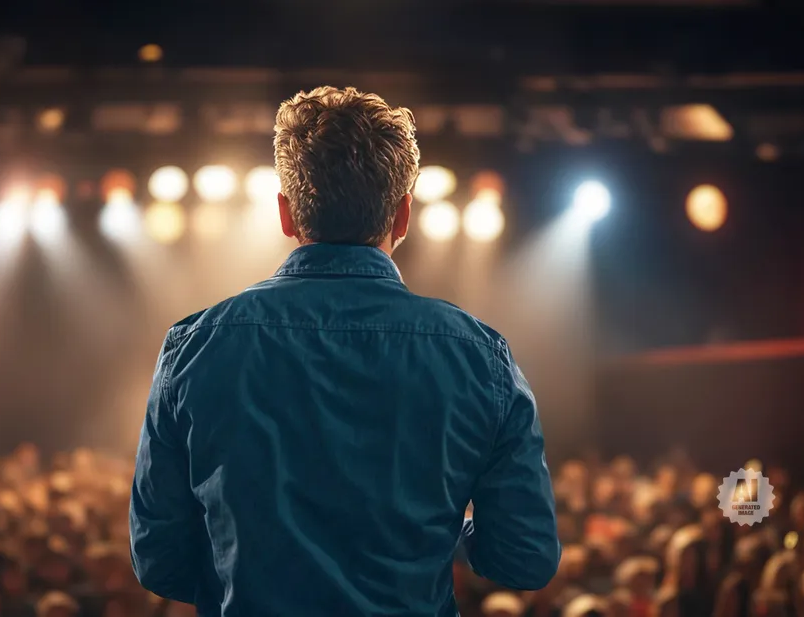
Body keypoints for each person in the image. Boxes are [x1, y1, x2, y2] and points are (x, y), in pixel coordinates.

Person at [129, 86, 561, 616]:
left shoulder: (196, 346)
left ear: (286, 214)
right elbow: (524, 559)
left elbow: (159, 559)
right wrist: (441, 524)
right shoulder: (480, 359)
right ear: (403, 216)